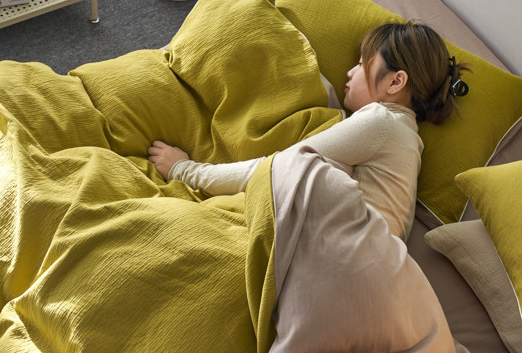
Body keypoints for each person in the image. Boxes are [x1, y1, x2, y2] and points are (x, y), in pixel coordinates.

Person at [148, 22, 469, 240]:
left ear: (395, 82)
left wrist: (184, 169)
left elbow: (276, 169)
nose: (350, 72)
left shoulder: (382, 122)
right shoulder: (407, 140)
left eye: (362, 64)